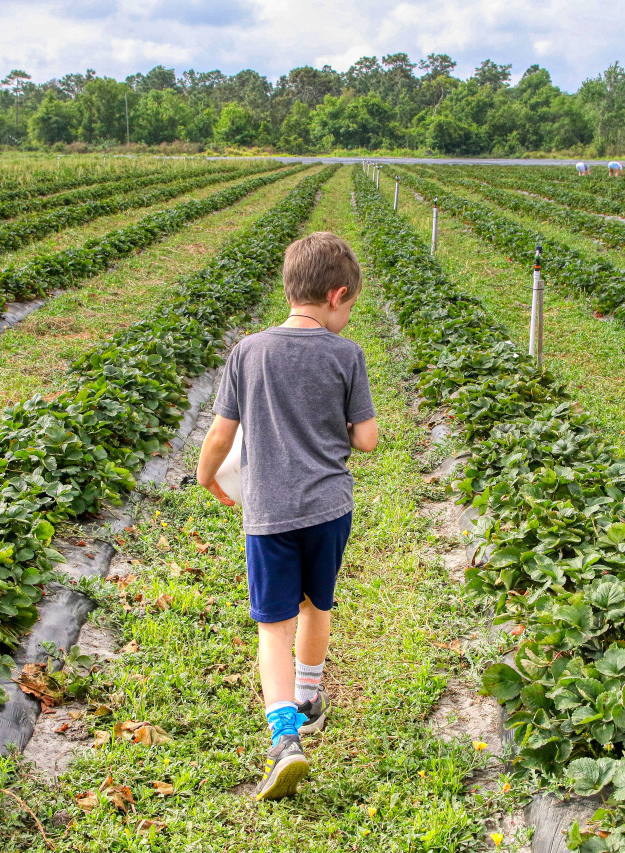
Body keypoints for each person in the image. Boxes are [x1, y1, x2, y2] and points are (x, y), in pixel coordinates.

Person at [196, 231, 378, 801]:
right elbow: (367, 440)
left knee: (272, 626)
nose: (347, 317)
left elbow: (221, 433)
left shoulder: (248, 351)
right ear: (337, 293)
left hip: (269, 511)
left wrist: (206, 479)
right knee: (315, 605)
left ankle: (284, 738)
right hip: (329, 509)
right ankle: (309, 698)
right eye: (349, 307)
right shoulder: (347, 354)